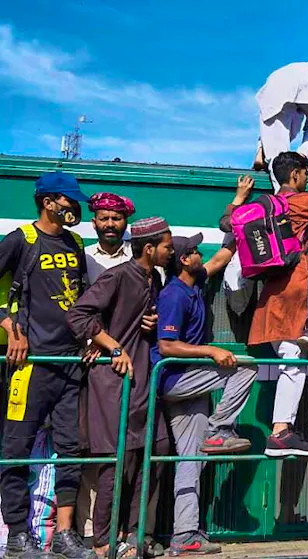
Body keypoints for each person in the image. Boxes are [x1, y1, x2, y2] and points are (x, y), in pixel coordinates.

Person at [220, 152, 308, 458]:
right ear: (295, 174)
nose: (307, 179)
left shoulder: (260, 205)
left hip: (271, 295)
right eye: (305, 174)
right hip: (299, 281)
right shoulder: (304, 201)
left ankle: (280, 433)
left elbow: (226, 223)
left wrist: (237, 198)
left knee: (292, 360)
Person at [67, 216, 175, 558]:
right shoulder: (118, 275)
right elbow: (78, 315)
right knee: (114, 464)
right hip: (113, 384)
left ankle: (131, 533)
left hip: (141, 381)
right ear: (149, 248)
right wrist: (112, 346)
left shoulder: (152, 278)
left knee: (149, 457)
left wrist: (148, 321)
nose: (171, 253)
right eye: (167, 247)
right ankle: (103, 543)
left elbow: (128, 318)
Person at [0, 172, 95, 559]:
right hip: (31, 364)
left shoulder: (74, 242)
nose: (75, 208)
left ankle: (65, 535)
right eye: (70, 201)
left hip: (70, 363)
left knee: (71, 449)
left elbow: (84, 299)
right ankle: (18, 537)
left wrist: (91, 336)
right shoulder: (21, 239)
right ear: (49, 201)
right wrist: (11, 328)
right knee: (16, 449)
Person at [154, 227, 258, 556]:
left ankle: (184, 536)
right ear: (184, 260)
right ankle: (220, 428)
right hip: (176, 378)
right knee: (246, 366)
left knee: (191, 458)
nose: (202, 254)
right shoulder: (173, 294)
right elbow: (167, 345)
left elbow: (221, 257)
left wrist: (239, 217)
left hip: (190, 381)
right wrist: (211, 351)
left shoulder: (194, 281)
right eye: (195, 251)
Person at [83, 193, 136, 284]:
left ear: (126, 222)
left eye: (116, 219)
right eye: (104, 219)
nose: (110, 224)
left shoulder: (137, 255)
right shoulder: (85, 256)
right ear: (94, 223)